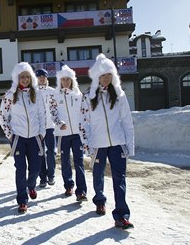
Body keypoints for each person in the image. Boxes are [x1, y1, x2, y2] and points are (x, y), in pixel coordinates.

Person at [80, 53, 135, 230]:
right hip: (98, 144)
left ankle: (121, 215)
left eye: (109, 74)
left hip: (117, 143)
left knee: (120, 178)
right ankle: (100, 200)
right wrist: (88, 145)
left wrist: (129, 145)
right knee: (98, 174)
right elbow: (83, 123)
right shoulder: (88, 96)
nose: (106, 78)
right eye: (103, 75)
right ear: (97, 77)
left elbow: (127, 120)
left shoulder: (119, 95)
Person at [0, 62, 45, 214]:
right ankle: (22, 200)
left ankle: (31, 185)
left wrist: (41, 133)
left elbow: (41, 114)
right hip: (18, 137)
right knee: (20, 169)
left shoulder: (36, 94)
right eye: (22, 77)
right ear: (17, 78)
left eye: (27, 76)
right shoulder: (10, 95)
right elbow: (3, 117)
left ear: (31, 78)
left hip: (34, 137)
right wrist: (10, 135)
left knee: (36, 168)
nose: (25, 79)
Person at [48, 65, 87, 201]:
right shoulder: (55, 95)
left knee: (79, 162)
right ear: (60, 81)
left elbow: (84, 113)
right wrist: (59, 123)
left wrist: (84, 129)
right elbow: (52, 112)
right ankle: (68, 185)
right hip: (63, 134)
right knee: (65, 161)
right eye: (63, 79)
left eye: (68, 79)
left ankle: (81, 191)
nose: (65, 82)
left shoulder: (78, 95)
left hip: (77, 134)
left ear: (72, 80)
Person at [35, 68, 56, 188]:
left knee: (51, 152)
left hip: (50, 127)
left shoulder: (52, 92)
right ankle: (42, 177)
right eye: (39, 77)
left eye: (44, 76)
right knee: (40, 153)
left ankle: (51, 175)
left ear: (47, 78)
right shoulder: (33, 92)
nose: (42, 79)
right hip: (38, 128)